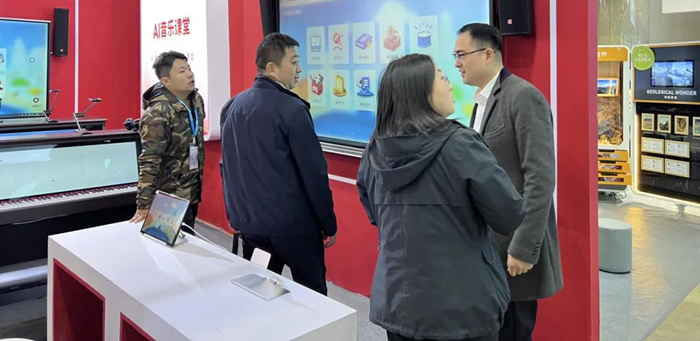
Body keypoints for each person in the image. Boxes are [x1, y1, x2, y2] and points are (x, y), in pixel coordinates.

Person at [357, 53, 525, 341]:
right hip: (462, 308)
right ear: (420, 92)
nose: (449, 84)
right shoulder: (461, 144)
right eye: (442, 77)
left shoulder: (374, 149)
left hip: (397, 306)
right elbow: (508, 215)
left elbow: (374, 214)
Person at [454, 23, 564, 341]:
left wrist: (524, 247)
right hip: (488, 243)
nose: (457, 63)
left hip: (513, 247)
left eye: (461, 55)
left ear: (488, 54)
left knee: (514, 329)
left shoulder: (523, 97)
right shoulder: (481, 100)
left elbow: (540, 178)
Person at [220, 33, 337, 295]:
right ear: (272, 68)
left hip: (252, 225)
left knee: (260, 295)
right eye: (294, 62)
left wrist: (234, 214)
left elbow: (226, 167)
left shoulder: (232, 106)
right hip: (295, 228)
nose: (299, 69)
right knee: (313, 298)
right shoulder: (292, 109)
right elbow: (314, 173)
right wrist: (328, 223)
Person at [130, 51, 206, 233]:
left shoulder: (196, 100)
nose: (190, 74)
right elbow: (150, 160)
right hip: (168, 199)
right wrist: (144, 204)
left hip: (191, 191)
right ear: (166, 81)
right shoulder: (158, 113)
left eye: (189, 68)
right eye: (182, 71)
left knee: (187, 240)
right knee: (166, 244)